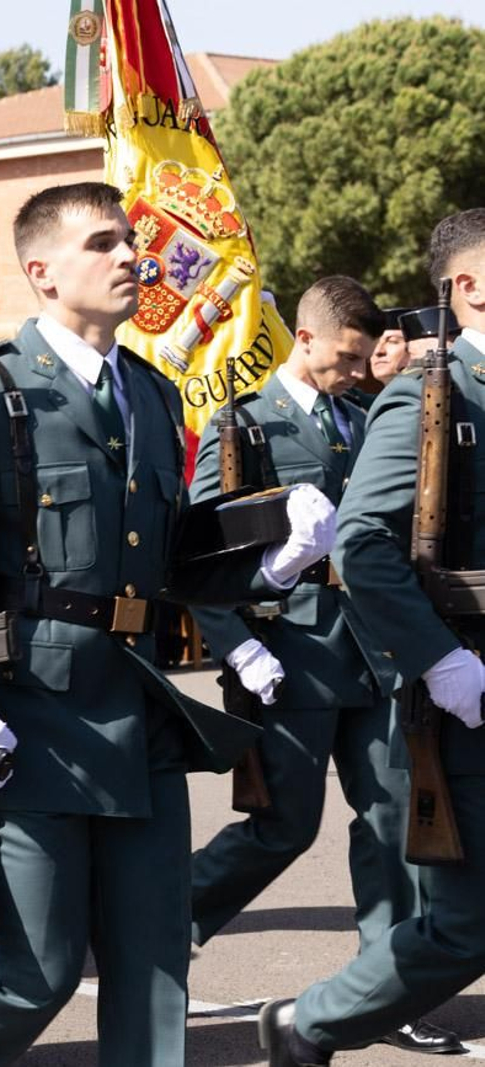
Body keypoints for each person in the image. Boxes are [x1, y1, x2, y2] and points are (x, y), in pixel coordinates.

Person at [0, 182, 335, 1066]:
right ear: (41, 271)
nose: (130, 258)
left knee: (154, 964)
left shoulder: (148, 392)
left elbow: (168, 553)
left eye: (131, 241)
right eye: (104, 243)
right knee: (29, 973)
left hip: (139, 709)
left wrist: (269, 549)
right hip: (29, 713)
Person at [186, 277, 461, 1056]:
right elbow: (204, 553)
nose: (352, 371)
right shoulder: (244, 425)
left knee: (393, 823)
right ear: (303, 340)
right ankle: (167, 925)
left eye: (360, 360)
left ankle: (391, 985)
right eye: (343, 358)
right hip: (289, 654)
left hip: (373, 654)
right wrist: (234, 642)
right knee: (282, 827)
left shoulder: (365, 418)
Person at [258, 208, 485, 1064]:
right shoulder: (435, 395)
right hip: (467, 683)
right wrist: (438, 658)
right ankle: (307, 1023)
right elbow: (362, 544)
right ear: (467, 288)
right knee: (464, 926)